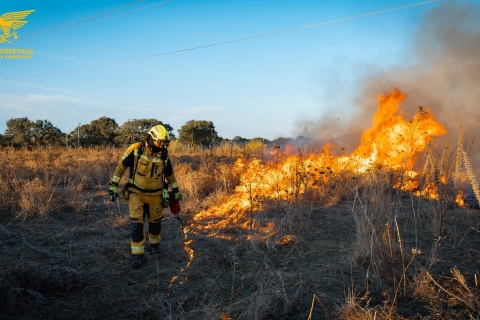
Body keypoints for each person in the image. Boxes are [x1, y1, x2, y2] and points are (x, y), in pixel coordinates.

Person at [108, 124, 181, 268]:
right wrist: (113, 185)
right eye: (160, 142)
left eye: (165, 143)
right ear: (151, 138)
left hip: (156, 195)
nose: (162, 145)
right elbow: (121, 166)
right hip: (137, 193)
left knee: (155, 223)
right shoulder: (136, 149)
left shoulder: (164, 154)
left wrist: (176, 189)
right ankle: (137, 256)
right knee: (137, 224)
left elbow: (170, 174)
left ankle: (155, 248)